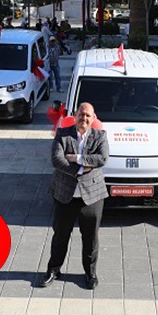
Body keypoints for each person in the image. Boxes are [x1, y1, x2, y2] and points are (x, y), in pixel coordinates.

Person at [40, 103, 109, 290]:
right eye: (81, 114)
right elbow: (57, 159)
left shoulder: (100, 136)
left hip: (92, 196)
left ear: (93, 118)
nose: (83, 118)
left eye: (87, 116)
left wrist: (76, 158)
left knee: (90, 238)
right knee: (60, 235)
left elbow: (102, 158)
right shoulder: (63, 134)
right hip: (64, 194)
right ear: (75, 115)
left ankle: (90, 273)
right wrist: (81, 169)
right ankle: (53, 270)